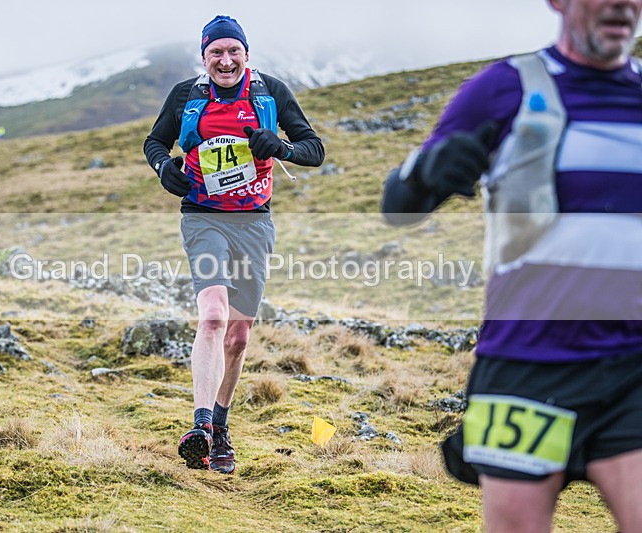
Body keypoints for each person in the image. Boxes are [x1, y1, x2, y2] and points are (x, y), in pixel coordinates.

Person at [382, 0, 642, 530]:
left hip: (632, 367)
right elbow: (398, 206)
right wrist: (428, 171)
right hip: (525, 363)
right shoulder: (504, 88)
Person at [144, 14, 324, 474]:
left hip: (254, 224)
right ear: (204, 57)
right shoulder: (186, 96)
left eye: (233, 51)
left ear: (247, 53)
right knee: (212, 315)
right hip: (203, 217)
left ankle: (221, 424)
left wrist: (280, 147)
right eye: (216, 53)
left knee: (238, 337)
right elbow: (155, 142)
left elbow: (314, 149)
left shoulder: (271, 93)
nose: (225, 61)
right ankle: (201, 427)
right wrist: (164, 168)